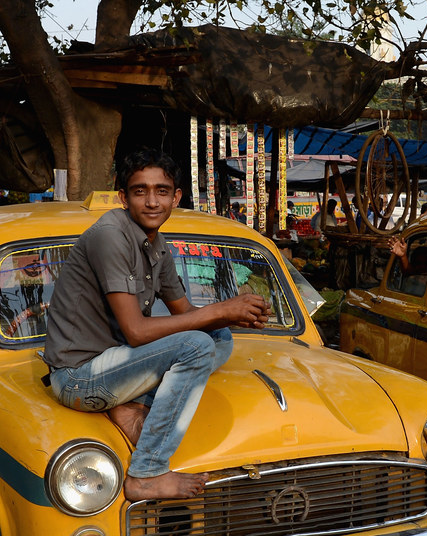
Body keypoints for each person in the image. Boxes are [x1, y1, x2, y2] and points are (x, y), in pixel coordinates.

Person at [43, 149, 270, 501]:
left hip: (119, 366)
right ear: (124, 197)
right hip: (77, 377)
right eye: (140, 191)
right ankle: (146, 472)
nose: (152, 202)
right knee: (197, 343)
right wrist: (221, 309)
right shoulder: (110, 236)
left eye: (162, 191)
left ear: (176, 197)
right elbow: (136, 331)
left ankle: (126, 404)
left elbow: (186, 312)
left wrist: (233, 314)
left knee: (217, 336)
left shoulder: (156, 245)